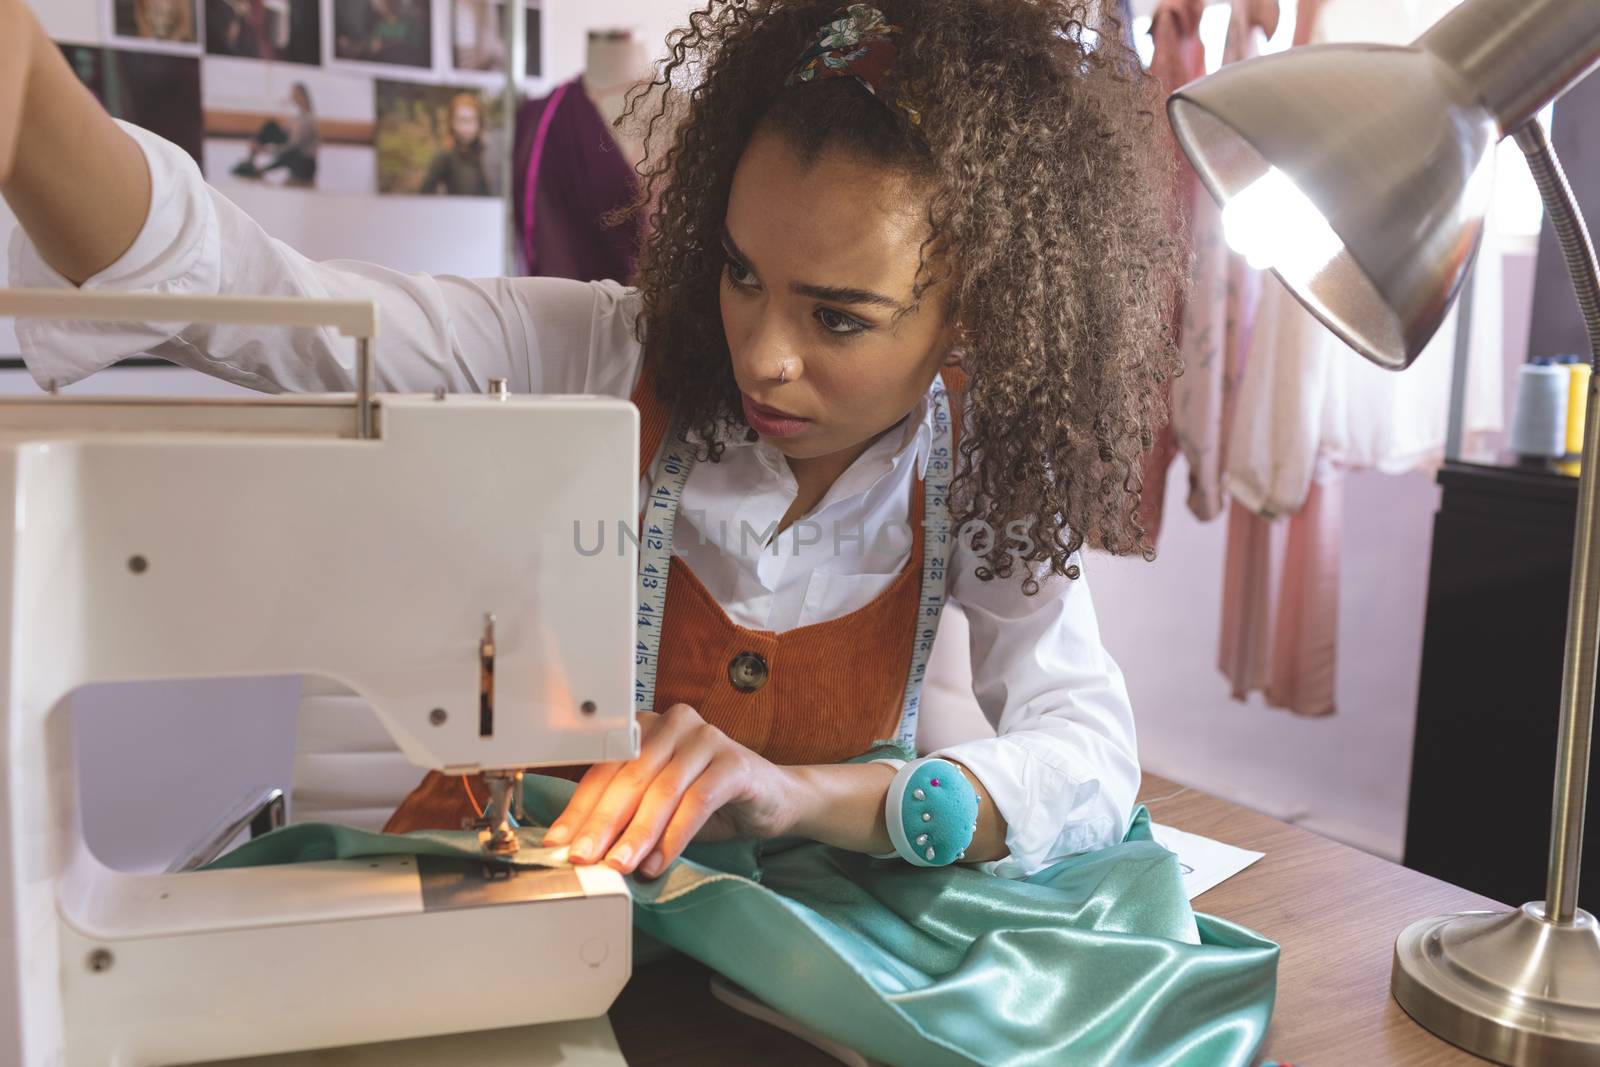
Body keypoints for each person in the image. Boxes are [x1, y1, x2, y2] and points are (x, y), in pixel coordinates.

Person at [0, 0, 1178, 881]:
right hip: (537, 910)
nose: (761, 351)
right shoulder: (593, 352)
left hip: (776, 969)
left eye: (836, 317)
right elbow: (261, 306)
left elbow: (1086, 747)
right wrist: (31, 94)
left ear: (970, 312)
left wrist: (806, 795)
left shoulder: (971, 467)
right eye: (737, 271)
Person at [231, 81, 319, 184]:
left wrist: (268, 150)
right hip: (292, 151)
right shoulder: (298, 117)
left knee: (291, 154)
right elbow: (282, 134)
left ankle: (260, 170)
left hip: (304, 164)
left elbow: (292, 146)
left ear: (302, 96)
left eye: (295, 95)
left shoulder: (308, 119)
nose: (292, 98)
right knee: (271, 125)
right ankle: (251, 158)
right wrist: (261, 140)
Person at [417, 91, 490, 196]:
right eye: (462, 120)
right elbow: (424, 193)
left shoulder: (486, 152)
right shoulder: (445, 155)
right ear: (452, 122)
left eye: (472, 120)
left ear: (479, 122)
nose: (467, 127)